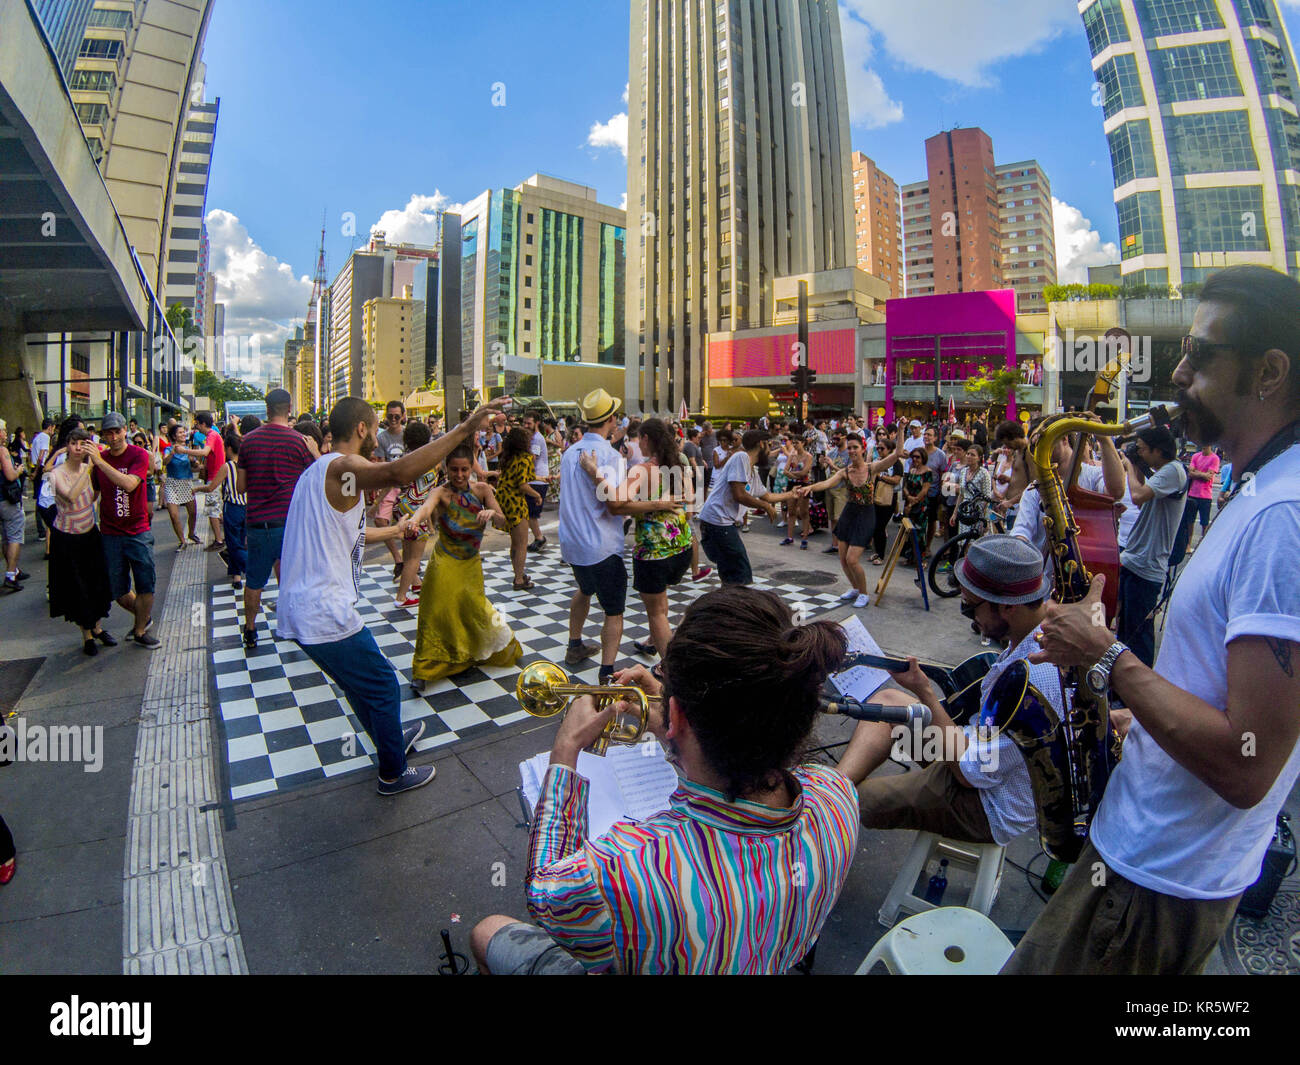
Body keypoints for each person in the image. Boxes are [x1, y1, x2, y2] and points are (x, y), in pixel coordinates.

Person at [1007, 264, 1300, 975]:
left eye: (1200, 355)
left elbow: (1248, 762)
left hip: (1153, 882)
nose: (1178, 369)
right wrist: (1147, 718)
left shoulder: (1282, 517)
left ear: (1268, 372)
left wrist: (1106, 656)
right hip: (1156, 866)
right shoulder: (1266, 494)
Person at [471, 586, 858, 974]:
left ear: (678, 713)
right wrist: (676, 723)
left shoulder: (623, 870)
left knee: (487, 932)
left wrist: (566, 754)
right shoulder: (838, 796)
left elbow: (545, 892)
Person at [276, 395, 509, 795]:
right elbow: (400, 473)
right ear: (363, 429)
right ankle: (393, 772)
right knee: (384, 683)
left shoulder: (319, 473)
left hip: (304, 609)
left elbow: (355, 534)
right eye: (376, 427)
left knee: (362, 685)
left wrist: (398, 531)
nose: (380, 438)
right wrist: (466, 429)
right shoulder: (344, 467)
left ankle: (390, 743)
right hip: (323, 611)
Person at [839, 536, 1056, 846]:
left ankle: (827, 811)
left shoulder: (1032, 677)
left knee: (861, 801)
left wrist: (925, 692)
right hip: (973, 751)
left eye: (969, 608)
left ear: (1007, 606)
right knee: (888, 703)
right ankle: (831, 790)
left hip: (987, 801)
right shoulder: (1027, 639)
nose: (970, 618)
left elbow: (971, 773)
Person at [578, 417, 691, 661]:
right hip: (681, 546)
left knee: (657, 614)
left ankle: (670, 670)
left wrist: (594, 472)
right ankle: (656, 643)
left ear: (647, 438)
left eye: (639, 439)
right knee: (661, 604)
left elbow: (617, 504)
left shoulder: (642, 470)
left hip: (654, 552)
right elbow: (689, 506)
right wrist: (660, 504)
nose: (638, 444)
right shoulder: (679, 463)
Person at [410, 445, 521, 686]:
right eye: (454, 470)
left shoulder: (482, 490)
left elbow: (503, 519)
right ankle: (423, 669)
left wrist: (490, 512)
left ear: (472, 468)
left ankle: (467, 654)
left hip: (470, 564)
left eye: (464, 470)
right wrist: (413, 520)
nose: (459, 475)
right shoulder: (440, 492)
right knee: (435, 611)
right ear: (446, 469)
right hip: (444, 561)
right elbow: (425, 508)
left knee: (473, 610)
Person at [557, 390, 633, 682]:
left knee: (585, 589)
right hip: (601, 545)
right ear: (611, 419)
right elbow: (613, 501)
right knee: (614, 611)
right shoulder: (610, 456)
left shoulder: (568, 452)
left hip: (573, 544)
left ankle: (574, 644)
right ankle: (607, 670)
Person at [236, 389, 315, 650]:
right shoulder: (299, 442)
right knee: (291, 578)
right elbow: (316, 481)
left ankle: (250, 629)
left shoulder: (248, 441)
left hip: (258, 523)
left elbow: (240, 487)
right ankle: (291, 625)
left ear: (267, 409)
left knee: (254, 581)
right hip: (289, 525)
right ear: (289, 408)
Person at [799, 429, 905, 607]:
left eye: (855, 447)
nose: (852, 451)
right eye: (849, 448)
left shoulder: (872, 468)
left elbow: (897, 454)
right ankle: (855, 588)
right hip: (849, 513)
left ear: (863, 449)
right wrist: (810, 488)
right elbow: (827, 483)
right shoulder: (845, 472)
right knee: (842, 558)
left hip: (866, 514)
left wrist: (901, 430)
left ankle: (864, 593)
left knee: (852, 559)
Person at [87, 412, 157, 647]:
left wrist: (99, 462)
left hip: (138, 530)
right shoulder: (98, 460)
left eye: (118, 431)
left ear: (125, 430)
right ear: (103, 435)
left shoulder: (138, 454)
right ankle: (144, 618)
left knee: (146, 583)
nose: (114, 437)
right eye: (109, 433)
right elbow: (92, 494)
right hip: (110, 533)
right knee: (118, 590)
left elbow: (129, 484)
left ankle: (139, 631)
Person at [698, 430, 798, 586]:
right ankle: (735, 605)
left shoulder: (752, 471)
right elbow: (739, 494)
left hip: (722, 525)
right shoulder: (741, 457)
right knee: (740, 574)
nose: (770, 450)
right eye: (769, 445)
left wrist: (792, 494)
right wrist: (765, 506)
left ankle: (728, 604)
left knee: (732, 573)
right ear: (761, 444)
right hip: (717, 523)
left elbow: (768, 496)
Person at [47, 429, 115, 655]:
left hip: (90, 534)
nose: (78, 448)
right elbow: (70, 496)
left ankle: (97, 628)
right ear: (66, 446)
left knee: (97, 584)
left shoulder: (91, 470)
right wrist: (90, 468)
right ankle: (86, 636)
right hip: (66, 539)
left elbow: (96, 495)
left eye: (83, 444)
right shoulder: (56, 474)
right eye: (74, 443)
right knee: (78, 589)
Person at [392, 420, 438, 608]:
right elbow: (427, 493)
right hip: (417, 509)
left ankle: (415, 583)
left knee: (408, 550)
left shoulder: (406, 457)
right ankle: (402, 597)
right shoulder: (428, 459)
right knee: (414, 557)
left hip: (403, 505)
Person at [496, 427, 544, 592]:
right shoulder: (525, 458)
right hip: (515, 501)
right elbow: (522, 484)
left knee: (515, 542)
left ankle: (519, 573)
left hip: (504, 500)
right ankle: (518, 578)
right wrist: (537, 494)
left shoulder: (508, 457)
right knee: (521, 543)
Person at [200, 433, 247, 592]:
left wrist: (196, 489)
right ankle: (236, 576)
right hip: (246, 508)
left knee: (233, 545)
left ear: (228, 448)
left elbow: (211, 487)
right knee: (239, 541)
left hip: (232, 508)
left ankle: (250, 567)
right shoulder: (246, 464)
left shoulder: (227, 466)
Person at [373, 400, 408, 582]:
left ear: (403, 416)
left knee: (408, 525)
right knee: (380, 520)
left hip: (407, 485)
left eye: (397, 416)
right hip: (390, 486)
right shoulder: (382, 438)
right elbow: (379, 464)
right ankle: (398, 559)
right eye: (390, 416)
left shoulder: (408, 435)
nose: (393, 420)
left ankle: (408, 563)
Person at [190, 411, 226, 551]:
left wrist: (184, 451)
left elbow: (204, 452)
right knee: (216, 510)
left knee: (212, 510)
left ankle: (218, 540)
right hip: (215, 475)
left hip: (215, 478)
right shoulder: (213, 435)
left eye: (197, 424)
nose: (196, 427)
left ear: (203, 423)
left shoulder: (211, 435)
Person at [161, 424, 200, 549]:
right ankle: (182, 540)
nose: (183, 434)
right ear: (174, 436)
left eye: (184, 432)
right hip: (172, 483)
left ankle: (191, 533)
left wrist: (194, 461)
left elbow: (195, 467)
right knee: (173, 514)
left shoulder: (188, 449)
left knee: (193, 512)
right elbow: (164, 462)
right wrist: (172, 452)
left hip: (186, 482)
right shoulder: (168, 449)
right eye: (180, 432)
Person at [0, 420, 27, 592]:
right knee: (15, 536)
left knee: (5, 536)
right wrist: (18, 470)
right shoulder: (2, 450)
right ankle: (11, 574)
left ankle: (14, 570)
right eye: (3, 430)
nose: (5, 433)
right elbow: (10, 475)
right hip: (7, 499)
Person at [1181, 442, 1220, 552]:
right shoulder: (1195, 456)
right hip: (1192, 493)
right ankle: (1188, 544)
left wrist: (1196, 473)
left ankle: (1203, 546)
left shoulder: (1215, 458)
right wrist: (1203, 474)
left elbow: (1209, 477)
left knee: (1204, 522)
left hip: (1205, 495)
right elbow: (1190, 473)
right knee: (1189, 521)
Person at [779, 435, 814, 549]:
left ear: (803, 443)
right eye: (793, 443)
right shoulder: (792, 455)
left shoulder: (808, 456)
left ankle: (805, 539)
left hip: (804, 485)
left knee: (804, 511)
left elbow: (804, 472)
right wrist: (792, 474)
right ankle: (790, 537)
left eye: (797, 442)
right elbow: (785, 470)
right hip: (792, 484)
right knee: (791, 510)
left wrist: (791, 474)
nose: (795, 445)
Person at [522, 412, 550, 552]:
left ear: (536, 423)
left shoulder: (537, 439)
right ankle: (537, 538)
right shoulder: (531, 437)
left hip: (538, 479)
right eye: (525, 423)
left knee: (531, 513)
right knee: (529, 513)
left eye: (529, 423)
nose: (526, 426)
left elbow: (533, 458)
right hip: (533, 478)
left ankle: (539, 538)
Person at [951, 443, 993, 537]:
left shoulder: (984, 473)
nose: (969, 456)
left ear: (979, 458)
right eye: (968, 454)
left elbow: (987, 498)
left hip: (977, 512)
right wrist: (955, 513)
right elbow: (961, 495)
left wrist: (982, 518)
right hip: (964, 510)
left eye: (973, 455)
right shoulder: (963, 471)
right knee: (962, 541)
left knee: (973, 541)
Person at [30, 417, 54, 555]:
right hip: (41, 470)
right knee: (45, 500)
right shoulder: (45, 437)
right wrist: (37, 471)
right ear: (50, 427)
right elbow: (41, 456)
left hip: (37, 469)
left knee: (40, 500)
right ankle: (43, 530)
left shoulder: (37, 437)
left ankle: (42, 529)